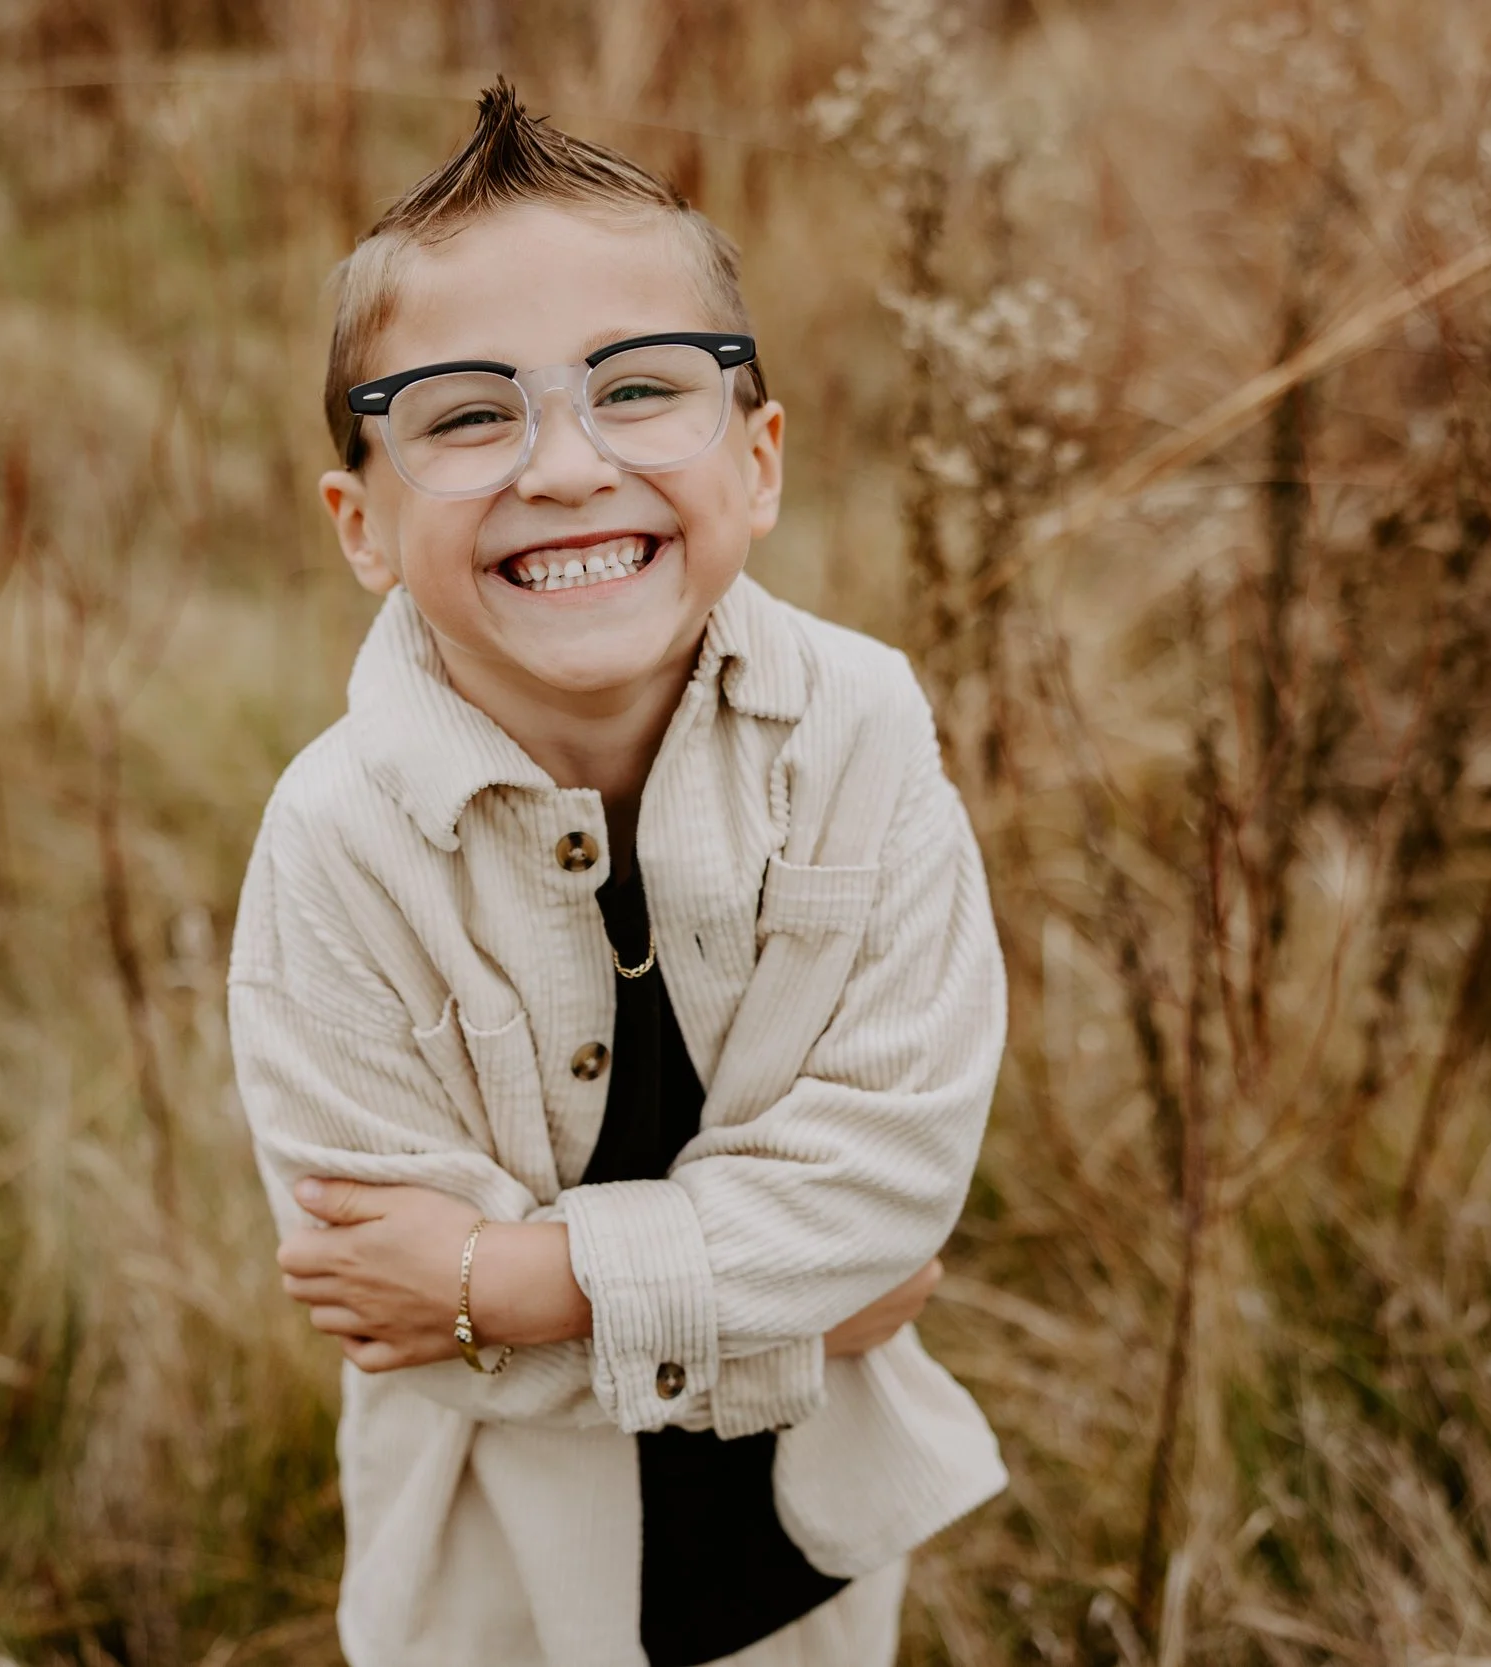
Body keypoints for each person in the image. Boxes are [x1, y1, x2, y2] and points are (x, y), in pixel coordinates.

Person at [227, 79, 1008, 1667]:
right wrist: (795, 1302)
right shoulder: (333, 844)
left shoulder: (860, 733)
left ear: (761, 455)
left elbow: (895, 1181)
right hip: (496, 1591)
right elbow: (416, 1329)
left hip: (805, 1564)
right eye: (464, 412)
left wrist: (516, 1277)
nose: (568, 466)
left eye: (641, 389)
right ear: (359, 521)